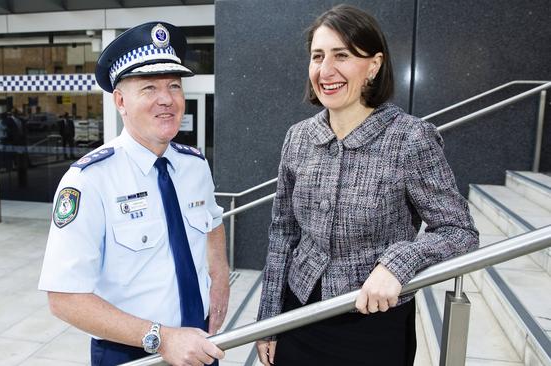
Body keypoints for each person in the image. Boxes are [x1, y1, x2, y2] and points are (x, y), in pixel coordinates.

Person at [255, 5, 479, 366]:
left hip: (373, 323)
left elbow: (459, 230)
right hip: (300, 315)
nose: (325, 70)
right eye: (317, 56)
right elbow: (283, 234)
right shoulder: (298, 138)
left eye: (341, 55)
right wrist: (267, 322)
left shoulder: (409, 138)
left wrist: (399, 262)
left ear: (373, 65)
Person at [38, 21, 230, 366]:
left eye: (174, 85)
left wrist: (220, 283)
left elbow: (213, 223)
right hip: (130, 353)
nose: (166, 100)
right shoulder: (88, 181)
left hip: (199, 343)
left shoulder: (194, 165)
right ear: (120, 100)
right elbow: (64, 297)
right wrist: (162, 338)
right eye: (149, 88)